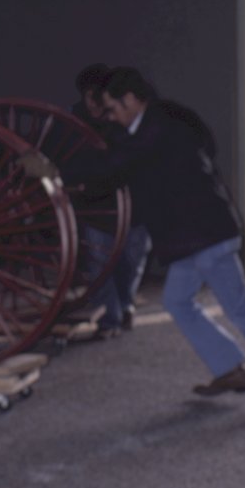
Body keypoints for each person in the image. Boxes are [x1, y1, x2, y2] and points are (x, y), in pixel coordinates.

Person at [30, 67, 245, 401]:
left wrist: (55, 171)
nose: (112, 116)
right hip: (191, 235)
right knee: (178, 302)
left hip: (204, 233)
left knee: (239, 308)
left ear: (133, 99)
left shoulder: (157, 127)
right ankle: (229, 369)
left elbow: (116, 163)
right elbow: (116, 162)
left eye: (114, 108)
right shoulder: (158, 122)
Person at [69, 63, 150, 336]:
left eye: (97, 95)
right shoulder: (73, 124)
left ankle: (125, 305)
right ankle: (110, 318)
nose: (92, 103)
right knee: (99, 267)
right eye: (87, 96)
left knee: (130, 262)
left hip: (134, 207)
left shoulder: (125, 122)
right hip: (95, 207)